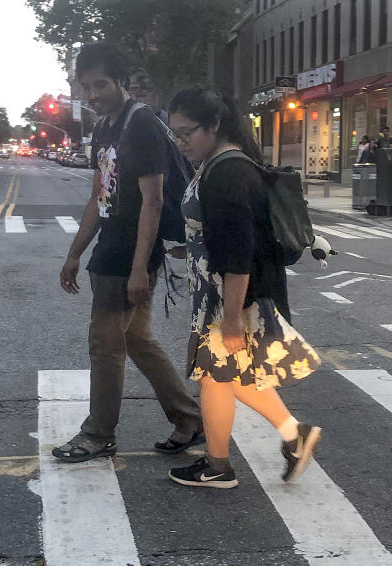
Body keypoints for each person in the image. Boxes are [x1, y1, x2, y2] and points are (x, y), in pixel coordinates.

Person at [164, 86, 322, 489]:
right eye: (175, 133)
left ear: (214, 125)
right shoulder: (216, 163)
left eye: (186, 132)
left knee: (215, 376)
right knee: (221, 376)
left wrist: (232, 320)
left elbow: (238, 254)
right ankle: (290, 435)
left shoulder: (230, 171)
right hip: (217, 294)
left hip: (229, 298)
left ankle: (218, 465)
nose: (180, 142)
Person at [54, 42, 204, 463]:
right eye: (85, 87)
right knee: (137, 339)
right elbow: (99, 194)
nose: (92, 94)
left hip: (128, 253)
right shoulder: (105, 126)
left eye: (100, 84)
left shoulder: (141, 126)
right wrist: (74, 252)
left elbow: (153, 200)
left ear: (121, 80)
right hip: (111, 245)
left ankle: (98, 434)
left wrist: (141, 267)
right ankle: (189, 418)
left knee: (105, 345)